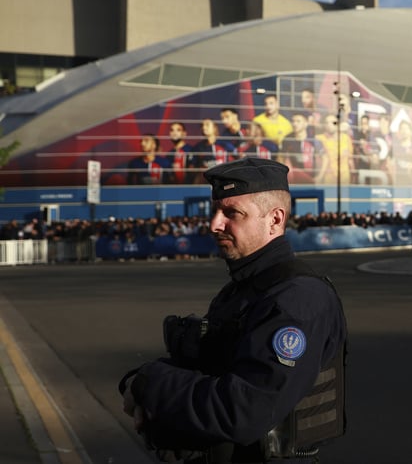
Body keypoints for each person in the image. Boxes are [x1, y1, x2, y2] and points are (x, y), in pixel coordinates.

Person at [117, 158, 347, 463]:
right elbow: (212, 366)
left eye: (231, 213)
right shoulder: (246, 287)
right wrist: (142, 379)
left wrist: (151, 383)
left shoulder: (297, 299)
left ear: (275, 220)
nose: (214, 224)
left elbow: (244, 410)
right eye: (214, 211)